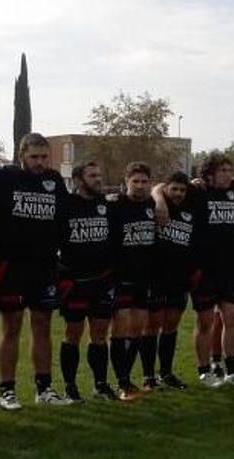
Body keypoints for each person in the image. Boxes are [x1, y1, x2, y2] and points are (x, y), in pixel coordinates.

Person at [0, 132, 70, 409]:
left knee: (43, 326)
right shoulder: (2, 178)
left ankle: (44, 388)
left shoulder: (54, 181)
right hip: (12, 265)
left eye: (44, 157)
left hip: (44, 265)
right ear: (21, 154)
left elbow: (65, 217)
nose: (40, 162)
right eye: (34, 157)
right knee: (11, 327)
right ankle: (7, 390)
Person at [190, 153, 234, 387]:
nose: (228, 175)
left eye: (230, 170)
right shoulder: (198, 192)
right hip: (205, 269)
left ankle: (232, 370)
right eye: (223, 170)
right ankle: (204, 371)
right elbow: (163, 188)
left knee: (233, 318)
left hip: (231, 269)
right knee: (205, 322)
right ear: (210, 173)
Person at [57, 161, 117, 401]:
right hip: (75, 281)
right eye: (92, 175)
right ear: (79, 180)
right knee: (73, 333)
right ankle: (70, 387)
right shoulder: (66, 205)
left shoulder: (107, 204)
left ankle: (100, 384)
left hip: (102, 280)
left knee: (100, 334)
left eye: (99, 174)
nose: (98, 179)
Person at [108, 162, 158, 399]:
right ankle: (121, 383)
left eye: (144, 181)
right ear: (126, 181)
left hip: (144, 276)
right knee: (121, 328)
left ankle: (126, 379)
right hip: (120, 277)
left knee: (137, 329)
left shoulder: (151, 204)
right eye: (135, 181)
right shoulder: (115, 204)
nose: (140, 186)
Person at [145, 171, 197, 391]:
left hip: (180, 278)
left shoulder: (191, 208)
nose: (178, 193)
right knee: (152, 327)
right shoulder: (155, 204)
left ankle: (166, 373)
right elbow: (152, 187)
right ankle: (148, 378)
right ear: (166, 188)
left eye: (182, 190)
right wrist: (158, 196)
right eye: (174, 189)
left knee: (171, 327)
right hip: (156, 276)